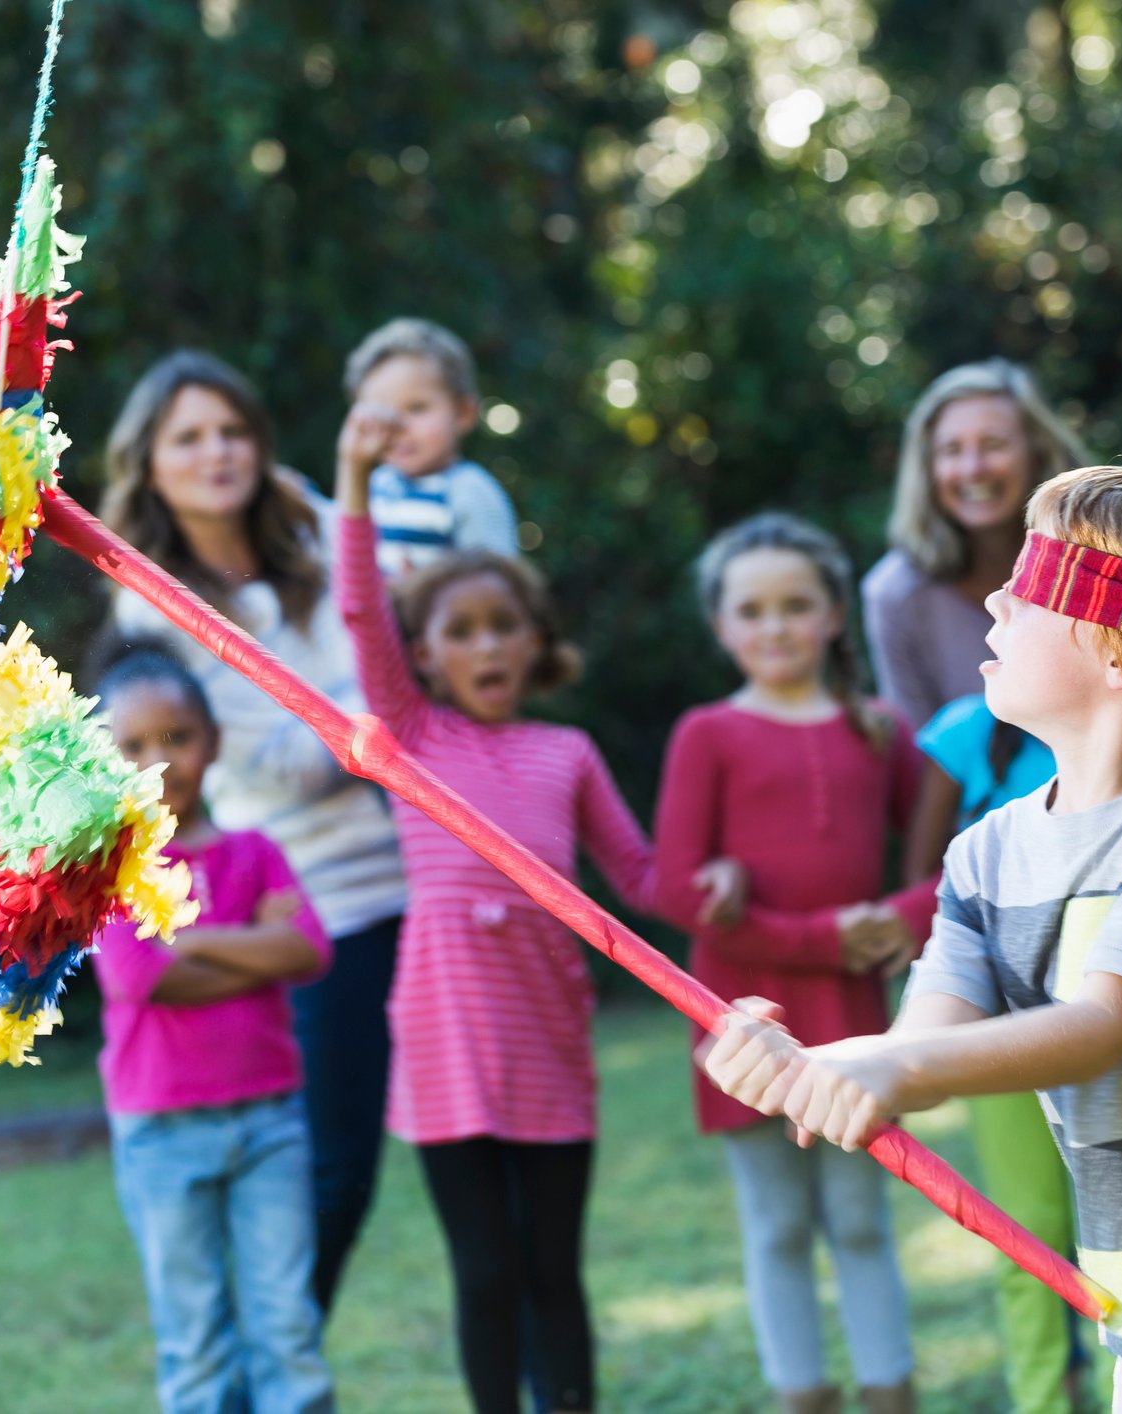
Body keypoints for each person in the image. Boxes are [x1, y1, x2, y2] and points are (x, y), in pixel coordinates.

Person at [705, 465, 1122, 1411]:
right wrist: (810, 1066)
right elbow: (923, 1045)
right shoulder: (985, 851)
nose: (994, 596)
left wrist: (887, 1071)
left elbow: (1104, 1022)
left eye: (1030, 587)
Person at [334, 396, 733, 1414]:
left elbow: (643, 879)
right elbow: (359, 615)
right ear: (423, 655)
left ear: (536, 639)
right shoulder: (409, 738)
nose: (486, 646)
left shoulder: (568, 754)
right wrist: (354, 480)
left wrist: (719, 884)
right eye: (459, 631)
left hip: (548, 1032)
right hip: (443, 1034)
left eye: (503, 626)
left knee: (552, 1270)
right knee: (485, 1272)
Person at [102, 350, 407, 1322]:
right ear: (147, 464)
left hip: (410, 873)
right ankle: (256, 1376)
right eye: (187, 436)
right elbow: (277, 760)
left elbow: (408, 607)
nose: (217, 451)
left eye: (233, 429)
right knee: (325, 1176)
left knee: (358, 1171)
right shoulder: (154, 596)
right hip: (304, 889)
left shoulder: (309, 524)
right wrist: (388, 713)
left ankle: (275, 1367)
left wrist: (369, 713)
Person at [654, 513, 932, 1414]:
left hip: (854, 1019)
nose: (774, 626)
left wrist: (897, 915)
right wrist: (819, 937)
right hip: (742, 1024)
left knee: (859, 1215)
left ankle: (889, 1391)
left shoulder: (879, 729)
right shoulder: (706, 733)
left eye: (795, 606)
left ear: (832, 616)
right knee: (775, 1223)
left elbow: (947, 863)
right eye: (752, 610)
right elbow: (677, 893)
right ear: (721, 625)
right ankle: (800, 1396)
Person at [91, 648, 336, 1414]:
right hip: (162, 1131)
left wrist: (190, 940)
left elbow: (309, 950)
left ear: (213, 742)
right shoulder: (109, 868)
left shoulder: (255, 854)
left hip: (269, 1121)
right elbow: (136, 978)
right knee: (194, 1335)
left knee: (286, 1327)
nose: (160, 761)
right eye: (133, 746)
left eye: (178, 737)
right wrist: (253, 950)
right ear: (100, 758)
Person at [902, 691, 1104, 1414]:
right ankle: (1042, 1400)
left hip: (1107, 1028)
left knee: (1119, 1238)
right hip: (997, 1028)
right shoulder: (963, 733)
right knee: (1027, 1235)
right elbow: (925, 882)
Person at [861, 358, 1087, 729]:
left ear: (1038, 452)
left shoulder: (1093, 563)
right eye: (951, 450)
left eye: (993, 444)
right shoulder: (894, 593)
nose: (972, 469)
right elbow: (916, 754)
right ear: (928, 469)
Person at [344, 317, 520, 576]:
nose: (398, 427)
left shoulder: (470, 491)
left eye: (417, 408)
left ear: (463, 412)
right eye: (382, 414)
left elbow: (494, 588)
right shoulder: (371, 488)